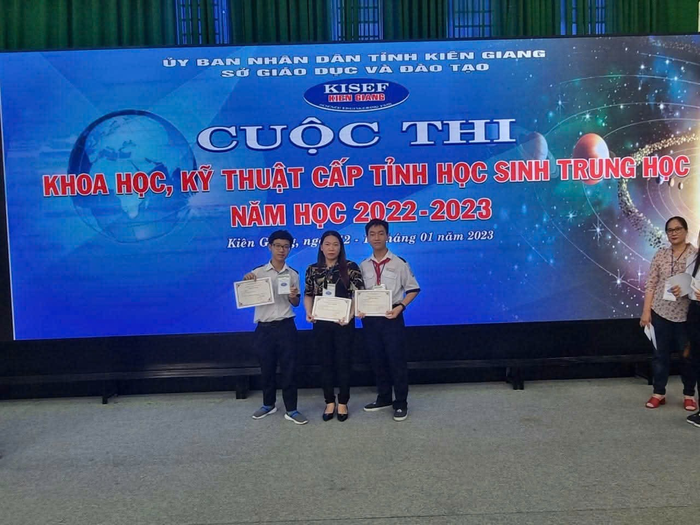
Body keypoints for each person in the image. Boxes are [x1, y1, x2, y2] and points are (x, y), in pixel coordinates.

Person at [243, 230, 308, 425]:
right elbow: (247, 296)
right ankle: (268, 404)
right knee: (267, 368)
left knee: (289, 369)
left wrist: (293, 296)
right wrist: (247, 284)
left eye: (286, 247)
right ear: (270, 246)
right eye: (278, 246)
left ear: (290, 249)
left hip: (286, 326)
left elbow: (296, 303)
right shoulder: (257, 273)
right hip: (264, 328)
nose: (282, 250)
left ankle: (291, 409)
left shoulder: (293, 274)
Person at [358, 219, 420, 422]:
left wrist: (400, 307)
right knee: (377, 360)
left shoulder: (399, 263)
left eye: (381, 233)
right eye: (372, 234)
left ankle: (401, 402)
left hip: (392, 317)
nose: (376, 237)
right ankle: (384, 397)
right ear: (367, 238)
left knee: (396, 361)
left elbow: (413, 289)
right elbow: (359, 293)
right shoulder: (362, 266)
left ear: (387, 236)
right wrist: (359, 309)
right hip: (370, 320)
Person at [304, 231, 365, 422]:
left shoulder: (350, 267)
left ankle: (343, 402)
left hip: (344, 323)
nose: (331, 248)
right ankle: (329, 401)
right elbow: (308, 294)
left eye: (336, 244)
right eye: (328, 244)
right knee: (325, 362)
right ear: (321, 247)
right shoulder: (313, 269)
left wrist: (350, 315)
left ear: (341, 247)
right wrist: (308, 312)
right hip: (321, 323)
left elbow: (358, 295)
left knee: (344, 362)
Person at [640, 216, 697, 411]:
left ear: (686, 231)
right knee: (659, 355)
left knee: (687, 357)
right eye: (670, 230)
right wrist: (646, 311)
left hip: (687, 315)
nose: (673, 233)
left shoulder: (695, 255)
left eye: (677, 229)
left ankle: (689, 394)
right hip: (660, 312)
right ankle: (659, 393)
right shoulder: (661, 254)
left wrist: (688, 289)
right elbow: (651, 284)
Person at [684, 248, 700, 427]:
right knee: (696, 360)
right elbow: (689, 285)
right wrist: (680, 289)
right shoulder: (693, 258)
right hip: (695, 310)